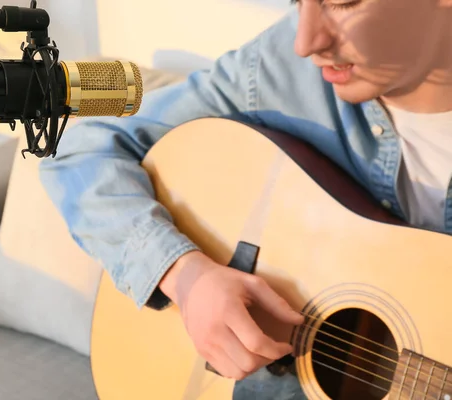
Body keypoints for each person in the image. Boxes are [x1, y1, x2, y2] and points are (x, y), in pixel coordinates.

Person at [39, 0, 452, 398]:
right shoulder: (280, 71)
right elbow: (84, 150)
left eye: (342, 2)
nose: (305, 42)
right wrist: (184, 275)